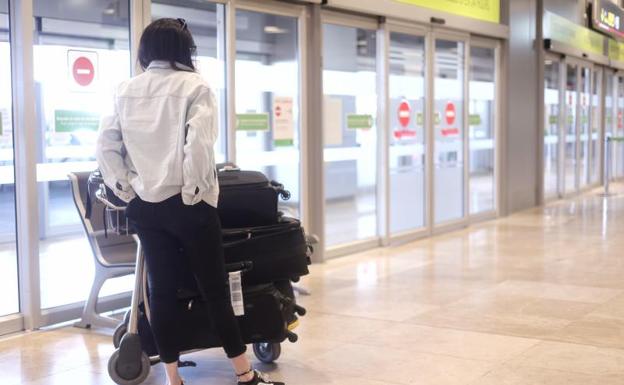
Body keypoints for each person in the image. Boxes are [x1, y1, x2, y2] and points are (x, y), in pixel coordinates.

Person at [96, 18, 284, 385]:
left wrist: (126, 189)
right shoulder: (195, 87)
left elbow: (105, 144)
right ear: (185, 50)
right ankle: (245, 376)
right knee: (214, 289)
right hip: (189, 206)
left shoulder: (125, 90)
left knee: (161, 292)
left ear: (146, 50)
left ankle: (172, 378)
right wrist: (193, 192)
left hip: (145, 206)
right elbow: (198, 145)